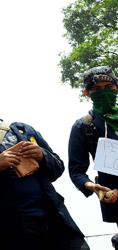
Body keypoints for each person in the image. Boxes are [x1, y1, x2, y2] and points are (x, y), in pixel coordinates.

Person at [0, 78, 88, 250]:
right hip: (7, 228)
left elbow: (58, 167)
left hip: (54, 217)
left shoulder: (24, 129)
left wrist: (42, 155)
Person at [68, 66, 118, 224]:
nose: (104, 91)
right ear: (87, 93)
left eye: (108, 87)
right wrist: (94, 188)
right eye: (96, 88)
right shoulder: (84, 126)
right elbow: (76, 172)